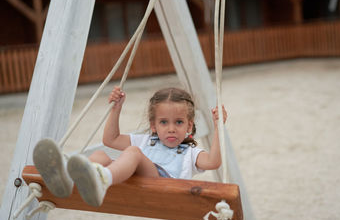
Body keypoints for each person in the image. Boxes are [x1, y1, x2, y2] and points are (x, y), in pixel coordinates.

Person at [33, 86, 227, 207]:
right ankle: (68, 180)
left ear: (189, 125)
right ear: (153, 125)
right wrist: (116, 109)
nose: (171, 129)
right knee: (100, 155)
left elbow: (213, 162)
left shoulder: (190, 153)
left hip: (164, 186)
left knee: (133, 152)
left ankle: (103, 180)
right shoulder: (146, 140)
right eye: (163, 122)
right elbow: (111, 139)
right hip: (132, 178)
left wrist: (219, 128)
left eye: (178, 122)